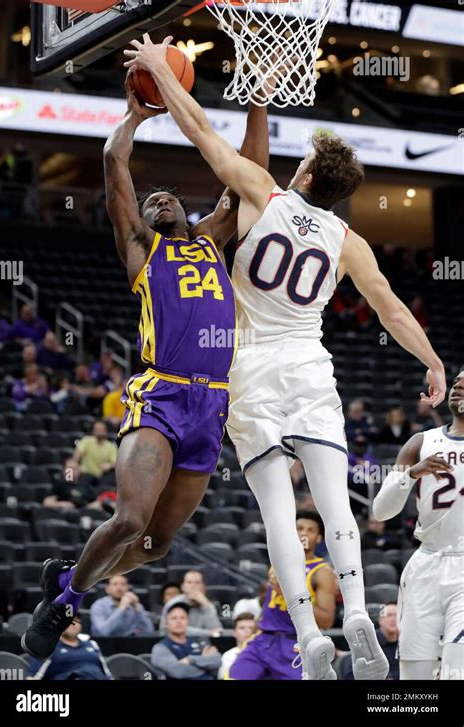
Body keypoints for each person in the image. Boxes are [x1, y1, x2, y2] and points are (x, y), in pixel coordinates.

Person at [123, 33, 447, 680]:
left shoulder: (261, 195)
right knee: (332, 503)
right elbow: (390, 309)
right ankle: (354, 608)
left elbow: (202, 136)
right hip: (307, 364)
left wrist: (164, 70)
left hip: (247, 368)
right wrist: (434, 363)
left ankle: (306, 629)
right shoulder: (347, 240)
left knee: (277, 509)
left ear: (303, 177)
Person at [21, 64, 270, 659]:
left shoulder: (212, 239)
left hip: (211, 401)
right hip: (161, 392)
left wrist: (258, 102)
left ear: (187, 211)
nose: (158, 201)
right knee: (131, 521)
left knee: (157, 544)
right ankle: (64, 604)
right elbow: (114, 166)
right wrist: (135, 116)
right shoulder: (141, 250)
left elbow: (252, 177)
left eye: (168, 197)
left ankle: (66, 577)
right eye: (151, 200)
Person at [373, 367, 464, 681]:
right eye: (456, 382)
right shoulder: (420, 442)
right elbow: (381, 511)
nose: (459, 386)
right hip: (425, 564)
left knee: (456, 671)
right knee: (416, 678)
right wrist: (411, 475)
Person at [227, 511, 336, 680]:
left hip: (294, 645)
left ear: (319, 538)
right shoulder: (279, 561)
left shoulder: (322, 572)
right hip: (263, 640)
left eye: (310, 530)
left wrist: (287, 592)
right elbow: (270, 606)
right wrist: (255, 630)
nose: (304, 534)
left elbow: (327, 621)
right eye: (299, 528)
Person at [27, 616, 112, 680]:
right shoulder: (47, 646)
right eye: (68, 621)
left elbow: (108, 674)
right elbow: (32, 677)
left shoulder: (92, 644)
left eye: (77, 620)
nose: (73, 624)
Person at [151, 602, 221, 680]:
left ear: (188, 621)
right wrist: (205, 664)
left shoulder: (200, 641)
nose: (179, 621)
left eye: (183, 618)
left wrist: (190, 660)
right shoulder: (160, 648)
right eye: (174, 618)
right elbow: (178, 671)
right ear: (166, 623)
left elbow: (217, 660)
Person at [343, 603, 399, 680]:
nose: (393, 619)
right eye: (389, 615)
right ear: (380, 620)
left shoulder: (408, 644)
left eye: (397, 615)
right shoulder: (365, 641)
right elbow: (350, 674)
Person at [160, 570, 222, 637]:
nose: (193, 586)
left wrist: (205, 604)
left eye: (197, 583)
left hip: (203, 644)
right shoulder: (173, 603)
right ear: (183, 587)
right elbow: (167, 629)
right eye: (189, 582)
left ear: (204, 587)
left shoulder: (207, 605)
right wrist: (207, 633)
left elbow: (217, 631)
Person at [90, 575, 154, 636]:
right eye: (115, 584)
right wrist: (121, 608)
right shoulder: (99, 606)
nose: (119, 588)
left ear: (127, 588)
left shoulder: (135, 605)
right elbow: (104, 632)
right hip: (104, 644)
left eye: (123, 584)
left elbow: (149, 631)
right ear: (107, 589)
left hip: (128, 643)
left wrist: (137, 607)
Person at [218, 612, 256, 679]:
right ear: (234, 633)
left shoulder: (264, 654)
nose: (247, 631)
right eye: (242, 628)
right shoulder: (228, 656)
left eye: (251, 628)